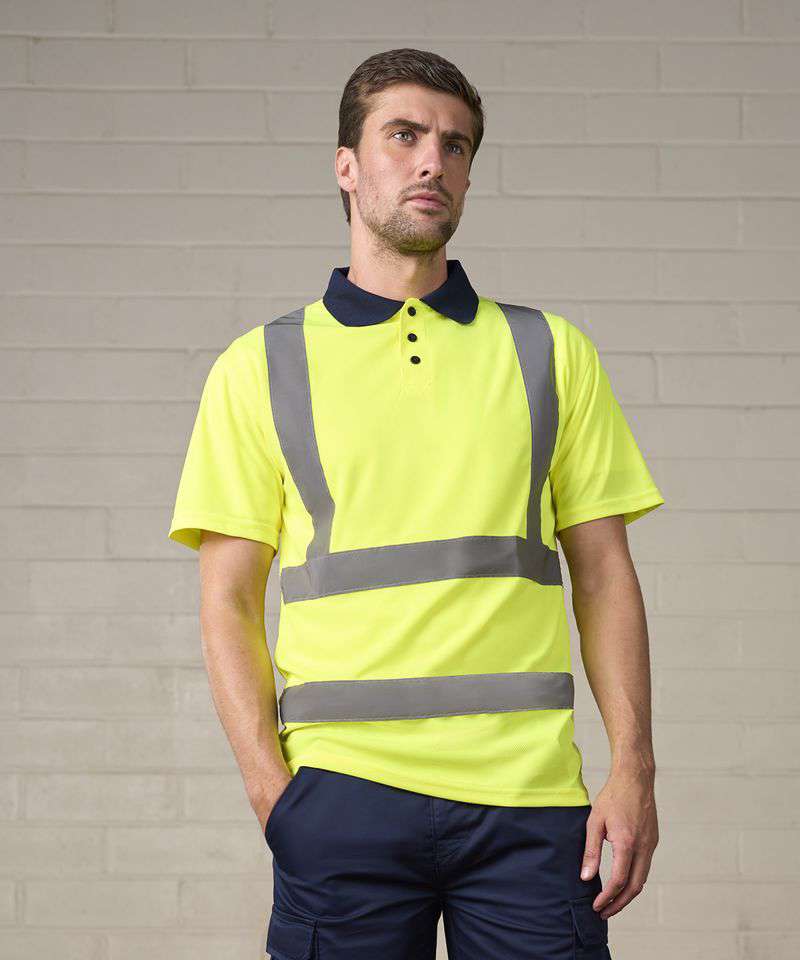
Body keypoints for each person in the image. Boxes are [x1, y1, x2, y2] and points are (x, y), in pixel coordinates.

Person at [168, 47, 663, 960]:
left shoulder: (551, 352)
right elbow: (227, 601)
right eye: (404, 136)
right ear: (346, 166)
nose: (433, 161)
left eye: (456, 145)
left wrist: (633, 769)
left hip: (529, 802)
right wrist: (276, 799)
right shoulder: (259, 366)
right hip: (341, 799)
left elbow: (604, 576)